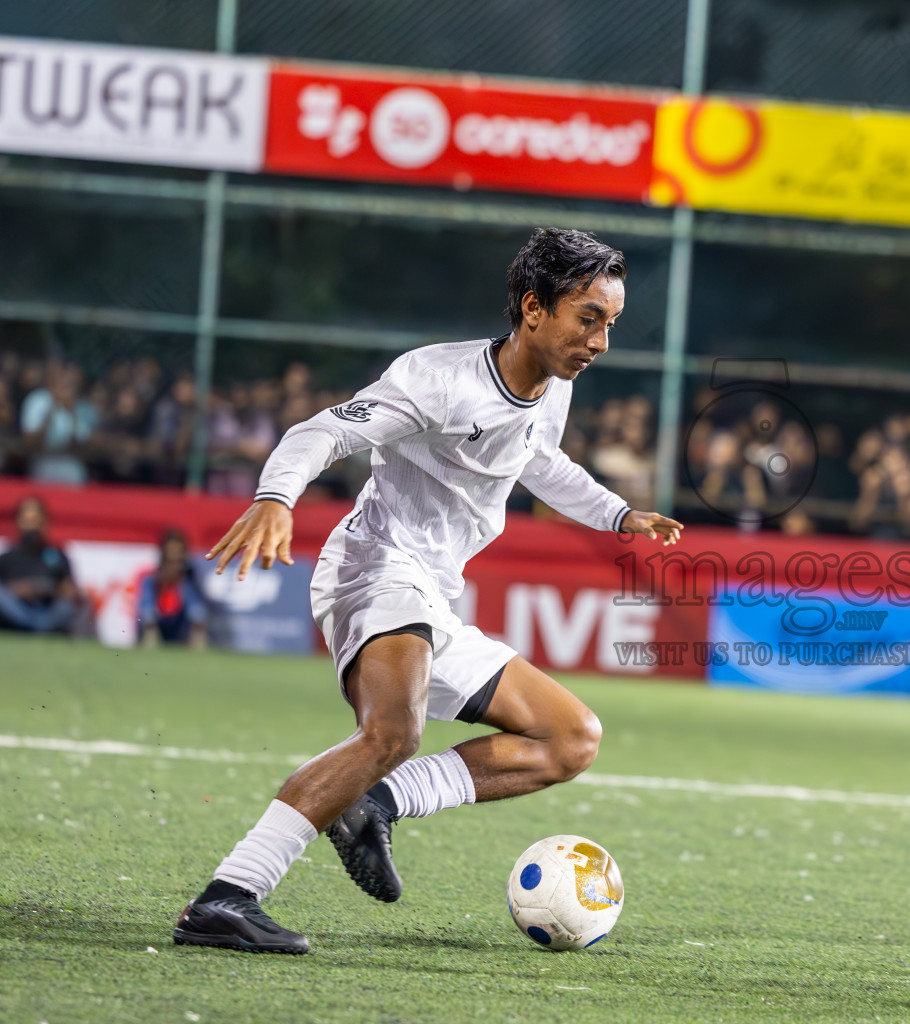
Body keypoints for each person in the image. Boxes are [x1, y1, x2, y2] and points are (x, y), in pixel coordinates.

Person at [172, 228, 684, 954]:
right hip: (375, 568)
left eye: (611, 324)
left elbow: (540, 460)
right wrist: (276, 497)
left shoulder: (555, 388)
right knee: (392, 732)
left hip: (433, 597)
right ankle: (227, 897)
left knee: (570, 738)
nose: (600, 341)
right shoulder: (438, 380)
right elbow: (322, 431)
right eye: (588, 318)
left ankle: (376, 805)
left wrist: (619, 514)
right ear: (533, 308)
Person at [0, 495, 82, 634]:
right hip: (17, 612)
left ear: (45, 522)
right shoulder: (6, 559)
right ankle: (31, 627)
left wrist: (50, 589)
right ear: (18, 522)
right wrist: (21, 589)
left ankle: (38, 628)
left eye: (36, 521)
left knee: (67, 606)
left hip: (48, 612)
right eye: (28, 521)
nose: (32, 527)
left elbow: (72, 593)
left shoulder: (58, 557)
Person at [137, 530, 209, 648]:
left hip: (179, 626)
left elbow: (197, 610)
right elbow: (146, 606)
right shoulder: (152, 579)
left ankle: (196, 646)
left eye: (178, 553)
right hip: (157, 622)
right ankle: (149, 642)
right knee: (147, 609)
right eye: (170, 553)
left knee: (196, 608)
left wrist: (179, 579)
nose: (174, 557)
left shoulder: (188, 581)